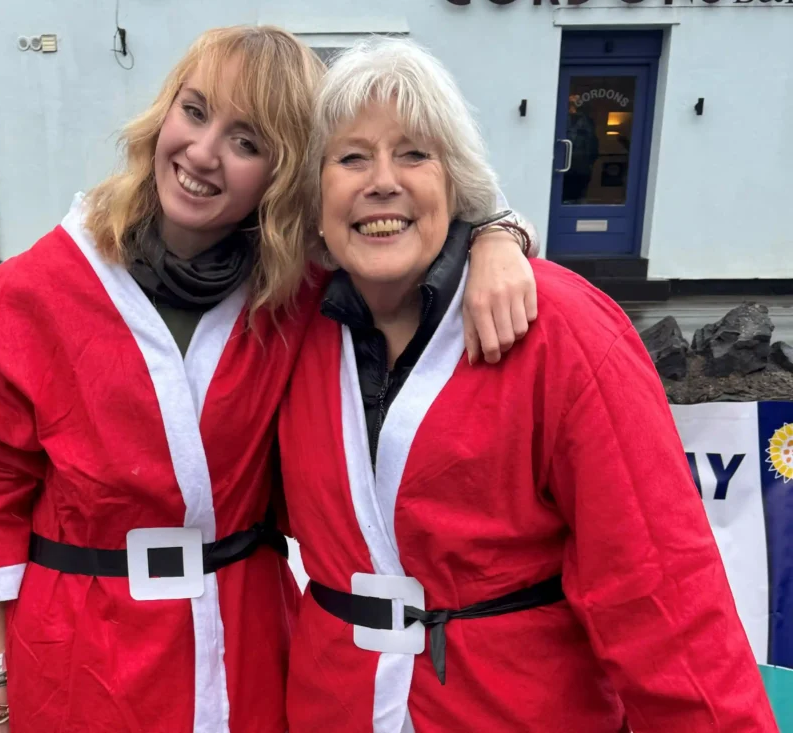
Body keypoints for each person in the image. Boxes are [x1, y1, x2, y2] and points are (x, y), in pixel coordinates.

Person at [0, 26, 539, 733]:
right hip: (84, 653)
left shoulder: (297, 293)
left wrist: (497, 234)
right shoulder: (31, 295)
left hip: (245, 645)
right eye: (195, 111)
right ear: (164, 113)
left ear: (284, 171)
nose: (203, 154)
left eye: (247, 142)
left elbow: (400, 225)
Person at [278, 38, 778, 733]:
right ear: (316, 191)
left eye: (415, 153)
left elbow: (661, 594)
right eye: (351, 157)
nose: (382, 181)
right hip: (333, 706)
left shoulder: (562, 330)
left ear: (458, 183)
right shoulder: (286, 331)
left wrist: (500, 231)